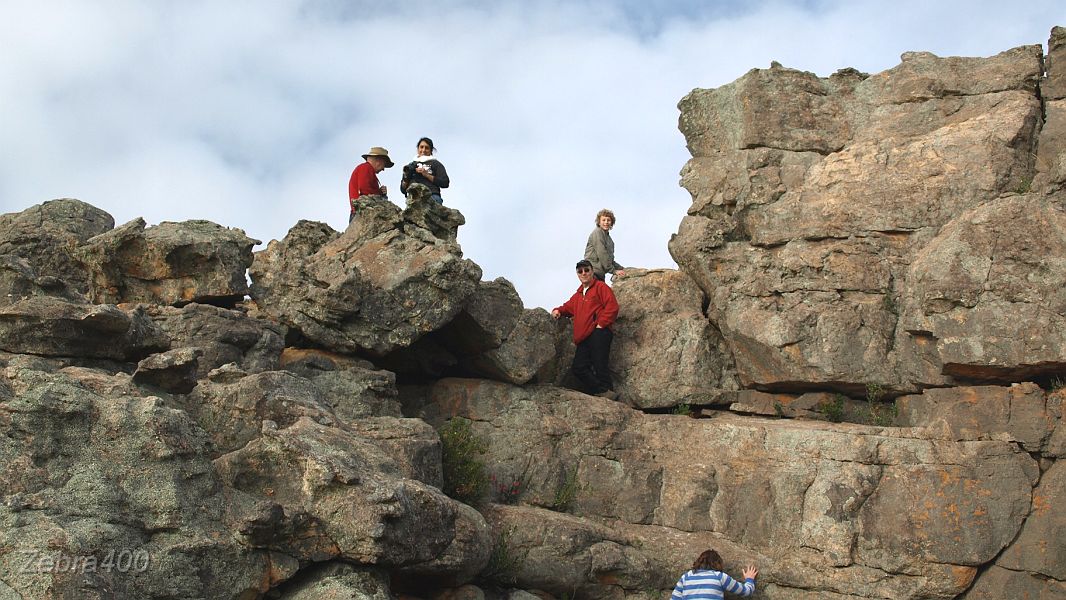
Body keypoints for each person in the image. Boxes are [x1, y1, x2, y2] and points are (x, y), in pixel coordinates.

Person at [551, 259, 619, 400]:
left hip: (599, 333)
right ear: (577, 274)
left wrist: (601, 324)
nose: (583, 273)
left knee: (600, 365)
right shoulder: (578, 295)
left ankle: (609, 396)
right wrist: (558, 310)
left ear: (592, 271)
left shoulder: (601, 287)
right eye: (580, 271)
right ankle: (602, 391)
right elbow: (567, 307)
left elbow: (612, 306)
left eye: (586, 270)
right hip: (584, 337)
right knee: (579, 367)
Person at [670, 549, 758, 600]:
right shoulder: (719, 576)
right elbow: (746, 592)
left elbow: (674, 598)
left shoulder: (686, 577)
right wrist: (749, 579)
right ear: (718, 563)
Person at [348, 147, 394, 222]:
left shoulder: (366, 168)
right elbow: (364, 189)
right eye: (384, 164)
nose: (383, 169)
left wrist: (381, 193)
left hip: (359, 213)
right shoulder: (366, 168)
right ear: (379, 160)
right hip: (361, 214)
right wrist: (380, 193)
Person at [399, 137, 450, 204]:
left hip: (432, 196)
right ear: (418, 149)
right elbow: (403, 190)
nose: (423, 150)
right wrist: (406, 177)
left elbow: (445, 182)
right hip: (414, 198)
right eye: (421, 147)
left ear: (431, 151)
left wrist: (427, 175)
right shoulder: (410, 166)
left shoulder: (436, 163)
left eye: (427, 148)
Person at [584, 209, 625, 282]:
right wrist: (613, 271)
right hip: (592, 272)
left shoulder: (610, 241)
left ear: (612, 223)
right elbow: (602, 254)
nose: (606, 222)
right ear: (599, 222)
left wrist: (622, 269)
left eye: (608, 220)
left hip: (600, 274)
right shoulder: (597, 233)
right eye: (603, 220)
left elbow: (610, 260)